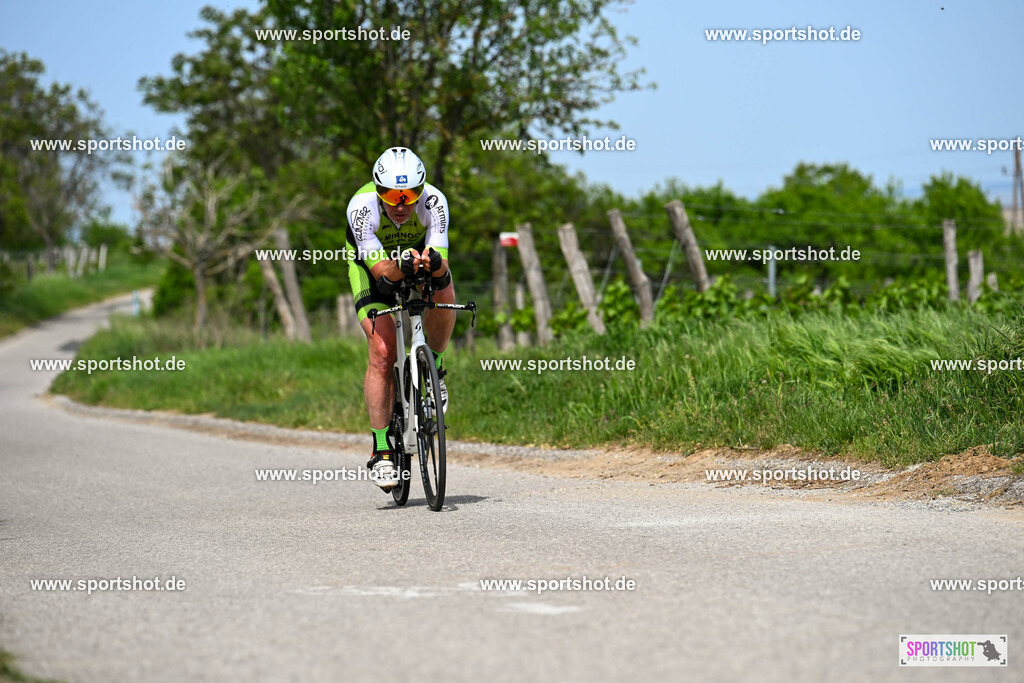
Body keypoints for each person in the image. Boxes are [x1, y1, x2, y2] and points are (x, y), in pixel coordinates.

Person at [345, 147, 455, 490]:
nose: (402, 204)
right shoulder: (361, 209)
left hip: (415, 256)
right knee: (382, 351)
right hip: (372, 269)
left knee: (442, 290)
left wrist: (431, 264)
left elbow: (443, 266)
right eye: (393, 196)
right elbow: (383, 276)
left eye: (410, 195)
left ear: (422, 191)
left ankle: (432, 367)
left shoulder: (435, 202)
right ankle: (381, 450)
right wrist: (400, 265)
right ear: (379, 191)